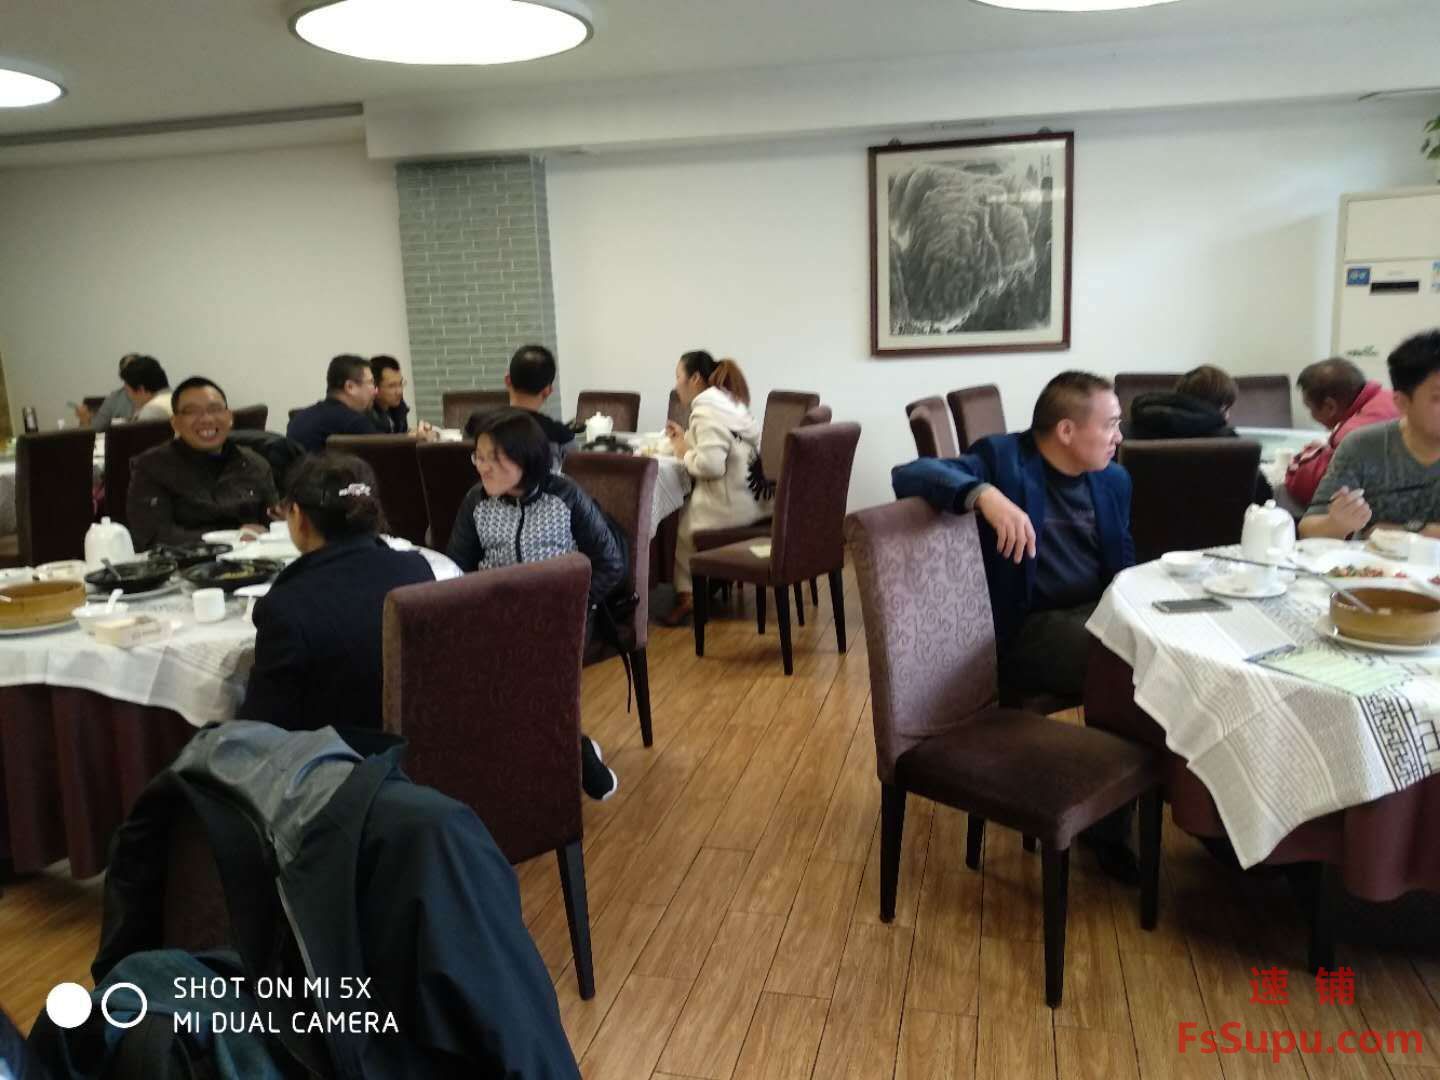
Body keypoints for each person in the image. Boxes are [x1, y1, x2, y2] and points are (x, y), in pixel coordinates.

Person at [892, 371, 1139, 882]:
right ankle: (1110, 829)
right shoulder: (1004, 460)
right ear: (1066, 430)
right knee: (1128, 665)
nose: (1119, 436)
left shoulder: (1113, 480)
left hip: (1097, 611)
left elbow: (1125, 565)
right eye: (1110, 424)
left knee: (1156, 651)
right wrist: (984, 493)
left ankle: (1158, 798)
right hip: (1027, 630)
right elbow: (909, 474)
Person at [447, 408, 625, 801]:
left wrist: (572, 607)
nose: (483, 468)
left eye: (495, 459)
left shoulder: (564, 496)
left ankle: (569, 750)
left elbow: (610, 564)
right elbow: (456, 569)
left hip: (561, 617)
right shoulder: (476, 501)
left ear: (526, 459)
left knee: (530, 663)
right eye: (479, 457)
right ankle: (573, 746)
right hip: (495, 617)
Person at [240, 453, 435, 732]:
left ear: (298, 516)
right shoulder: (416, 568)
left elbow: (261, 727)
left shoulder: (286, 606)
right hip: (421, 739)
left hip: (338, 754)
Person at [1301, 329, 1440, 540]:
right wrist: (1337, 524)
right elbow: (1308, 529)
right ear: (1402, 403)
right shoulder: (1362, 447)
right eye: (1438, 397)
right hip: (1370, 562)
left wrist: (1400, 531)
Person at [662, 350, 767, 626]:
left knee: (682, 524)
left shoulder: (705, 410)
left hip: (730, 505)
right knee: (685, 506)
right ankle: (711, 580)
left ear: (695, 378)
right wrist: (685, 440)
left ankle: (687, 595)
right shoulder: (727, 403)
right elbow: (720, 446)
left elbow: (710, 466)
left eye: (678, 376)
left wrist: (683, 452)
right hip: (754, 499)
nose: (676, 384)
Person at [128, 376, 280, 549]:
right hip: (186, 561)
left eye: (215, 409)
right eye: (191, 411)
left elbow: (274, 525)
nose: (206, 419)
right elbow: (152, 536)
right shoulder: (152, 467)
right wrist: (232, 538)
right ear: (175, 423)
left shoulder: (254, 464)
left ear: (229, 417)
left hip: (254, 560)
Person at [1125, 364, 1273, 503]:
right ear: (1221, 407)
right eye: (1227, 409)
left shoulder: (1128, 432)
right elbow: (1263, 495)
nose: (1228, 417)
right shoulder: (1228, 442)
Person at [1285, 357, 1400, 507]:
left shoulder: (1352, 435)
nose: (1311, 415)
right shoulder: (1391, 398)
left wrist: (1307, 455)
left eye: (1310, 408)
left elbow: (1310, 489)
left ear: (1330, 407)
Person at [464, 344, 575, 469]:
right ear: (547, 391)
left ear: (508, 380)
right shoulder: (561, 436)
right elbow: (573, 473)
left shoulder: (477, 423)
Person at [286, 354, 381, 452]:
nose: (375, 391)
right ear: (350, 387)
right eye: (371, 383)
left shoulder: (299, 417)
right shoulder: (354, 423)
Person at [369, 354, 438, 440]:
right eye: (391, 386)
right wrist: (409, 438)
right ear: (375, 387)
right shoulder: (367, 416)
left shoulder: (399, 407)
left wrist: (418, 432)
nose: (400, 391)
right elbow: (380, 444)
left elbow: (400, 434)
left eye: (400, 383)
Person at [75, 352, 140, 430]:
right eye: (128, 371)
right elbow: (95, 429)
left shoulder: (151, 395)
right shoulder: (113, 399)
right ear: (122, 375)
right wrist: (85, 419)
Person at [122, 354, 173, 421]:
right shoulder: (179, 400)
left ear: (140, 390)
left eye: (128, 391)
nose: (130, 399)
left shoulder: (151, 411)